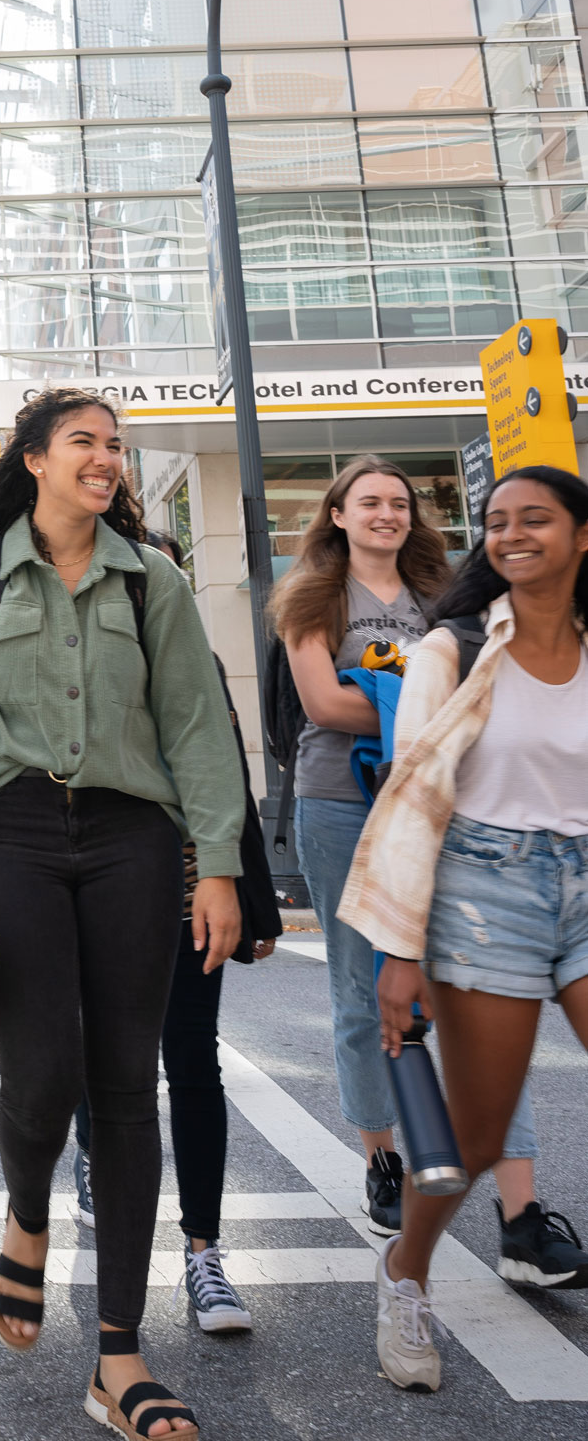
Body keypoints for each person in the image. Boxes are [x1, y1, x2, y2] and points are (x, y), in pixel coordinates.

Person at [0, 387, 246, 1440]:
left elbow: (195, 725)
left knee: (123, 1086)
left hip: (131, 839)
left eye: (115, 447)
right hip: (11, 832)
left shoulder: (153, 581)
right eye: (83, 443)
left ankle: (118, 1356)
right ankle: (23, 1214)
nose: (105, 460)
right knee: (42, 1069)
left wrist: (219, 864)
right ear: (32, 459)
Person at [272, 455, 556, 1266]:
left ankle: (523, 1214)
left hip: (448, 803)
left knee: (486, 992)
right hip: (339, 802)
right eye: (369, 503)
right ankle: (382, 1163)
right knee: (364, 997)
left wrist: (398, 694)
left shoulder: (449, 594)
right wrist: (429, 696)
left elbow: (497, 679)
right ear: (337, 514)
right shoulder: (310, 599)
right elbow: (323, 704)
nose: (386, 514)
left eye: (397, 503)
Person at [340, 464, 588, 1391]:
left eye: (536, 519)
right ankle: (405, 1273)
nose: (512, 533)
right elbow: (410, 804)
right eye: (497, 521)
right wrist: (398, 955)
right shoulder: (451, 647)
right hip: (488, 893)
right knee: (472, 1143)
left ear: (581, 535)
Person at [72, 531, 283, 1337]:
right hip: (100, 895)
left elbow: (226, 776)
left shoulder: (195, 663)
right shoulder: (80, 663)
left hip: (192, 893)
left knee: (191, 1062)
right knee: (101, 1058)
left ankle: (204, 1254)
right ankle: (91, 1157)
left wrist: (251, 900)